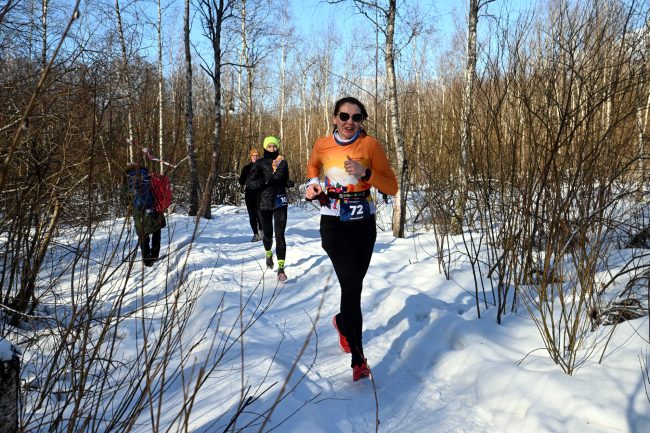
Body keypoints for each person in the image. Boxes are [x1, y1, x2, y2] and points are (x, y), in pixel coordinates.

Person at [304, 96, 398, 382]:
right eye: (344, 116)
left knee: (353, 286)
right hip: (333, 224)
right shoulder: (322, 144)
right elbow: (312, 168)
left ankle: (343, 322)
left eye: (356, 118)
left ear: (361, 121)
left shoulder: (370, 146)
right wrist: (313, 186)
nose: (349, 123)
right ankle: (359, 360)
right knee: (351, 284)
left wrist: (365, 173)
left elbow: (392, 187)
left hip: (363, 226)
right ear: (335, 118)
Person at [246, 136, 290, 282]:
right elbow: (250, 183)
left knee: (280, 235)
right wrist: (266, 179)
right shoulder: (259, 163)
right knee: (268, 235)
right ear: (265, 147)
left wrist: (288, 183)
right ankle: (268, 252)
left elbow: (283, 178)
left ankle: (281, 269)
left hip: (280, 201)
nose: (272, 148)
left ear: (278, 147)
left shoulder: (283, 162)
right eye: (269, 146)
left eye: (274, 146)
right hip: (263, 203)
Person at [125, 162, 166, 267]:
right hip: (152, 206)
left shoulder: (127, 177)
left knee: (143, 234)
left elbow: (124, 197)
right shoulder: (146, 174)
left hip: (138, 210)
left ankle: (147, 259)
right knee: (156, 229)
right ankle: (154, 255)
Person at [239, 148, 263, 242]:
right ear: (250, 157)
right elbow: (241, 182)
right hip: (249, 194)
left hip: (260, 194)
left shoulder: (263, 167)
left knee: (259, 214)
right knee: (252, 215)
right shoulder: (246, 168)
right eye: (253, 155)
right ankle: (255, 234)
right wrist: (246, 178)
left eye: (257, 155)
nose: (255, 157)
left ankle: (261, 231)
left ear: (259, 156)